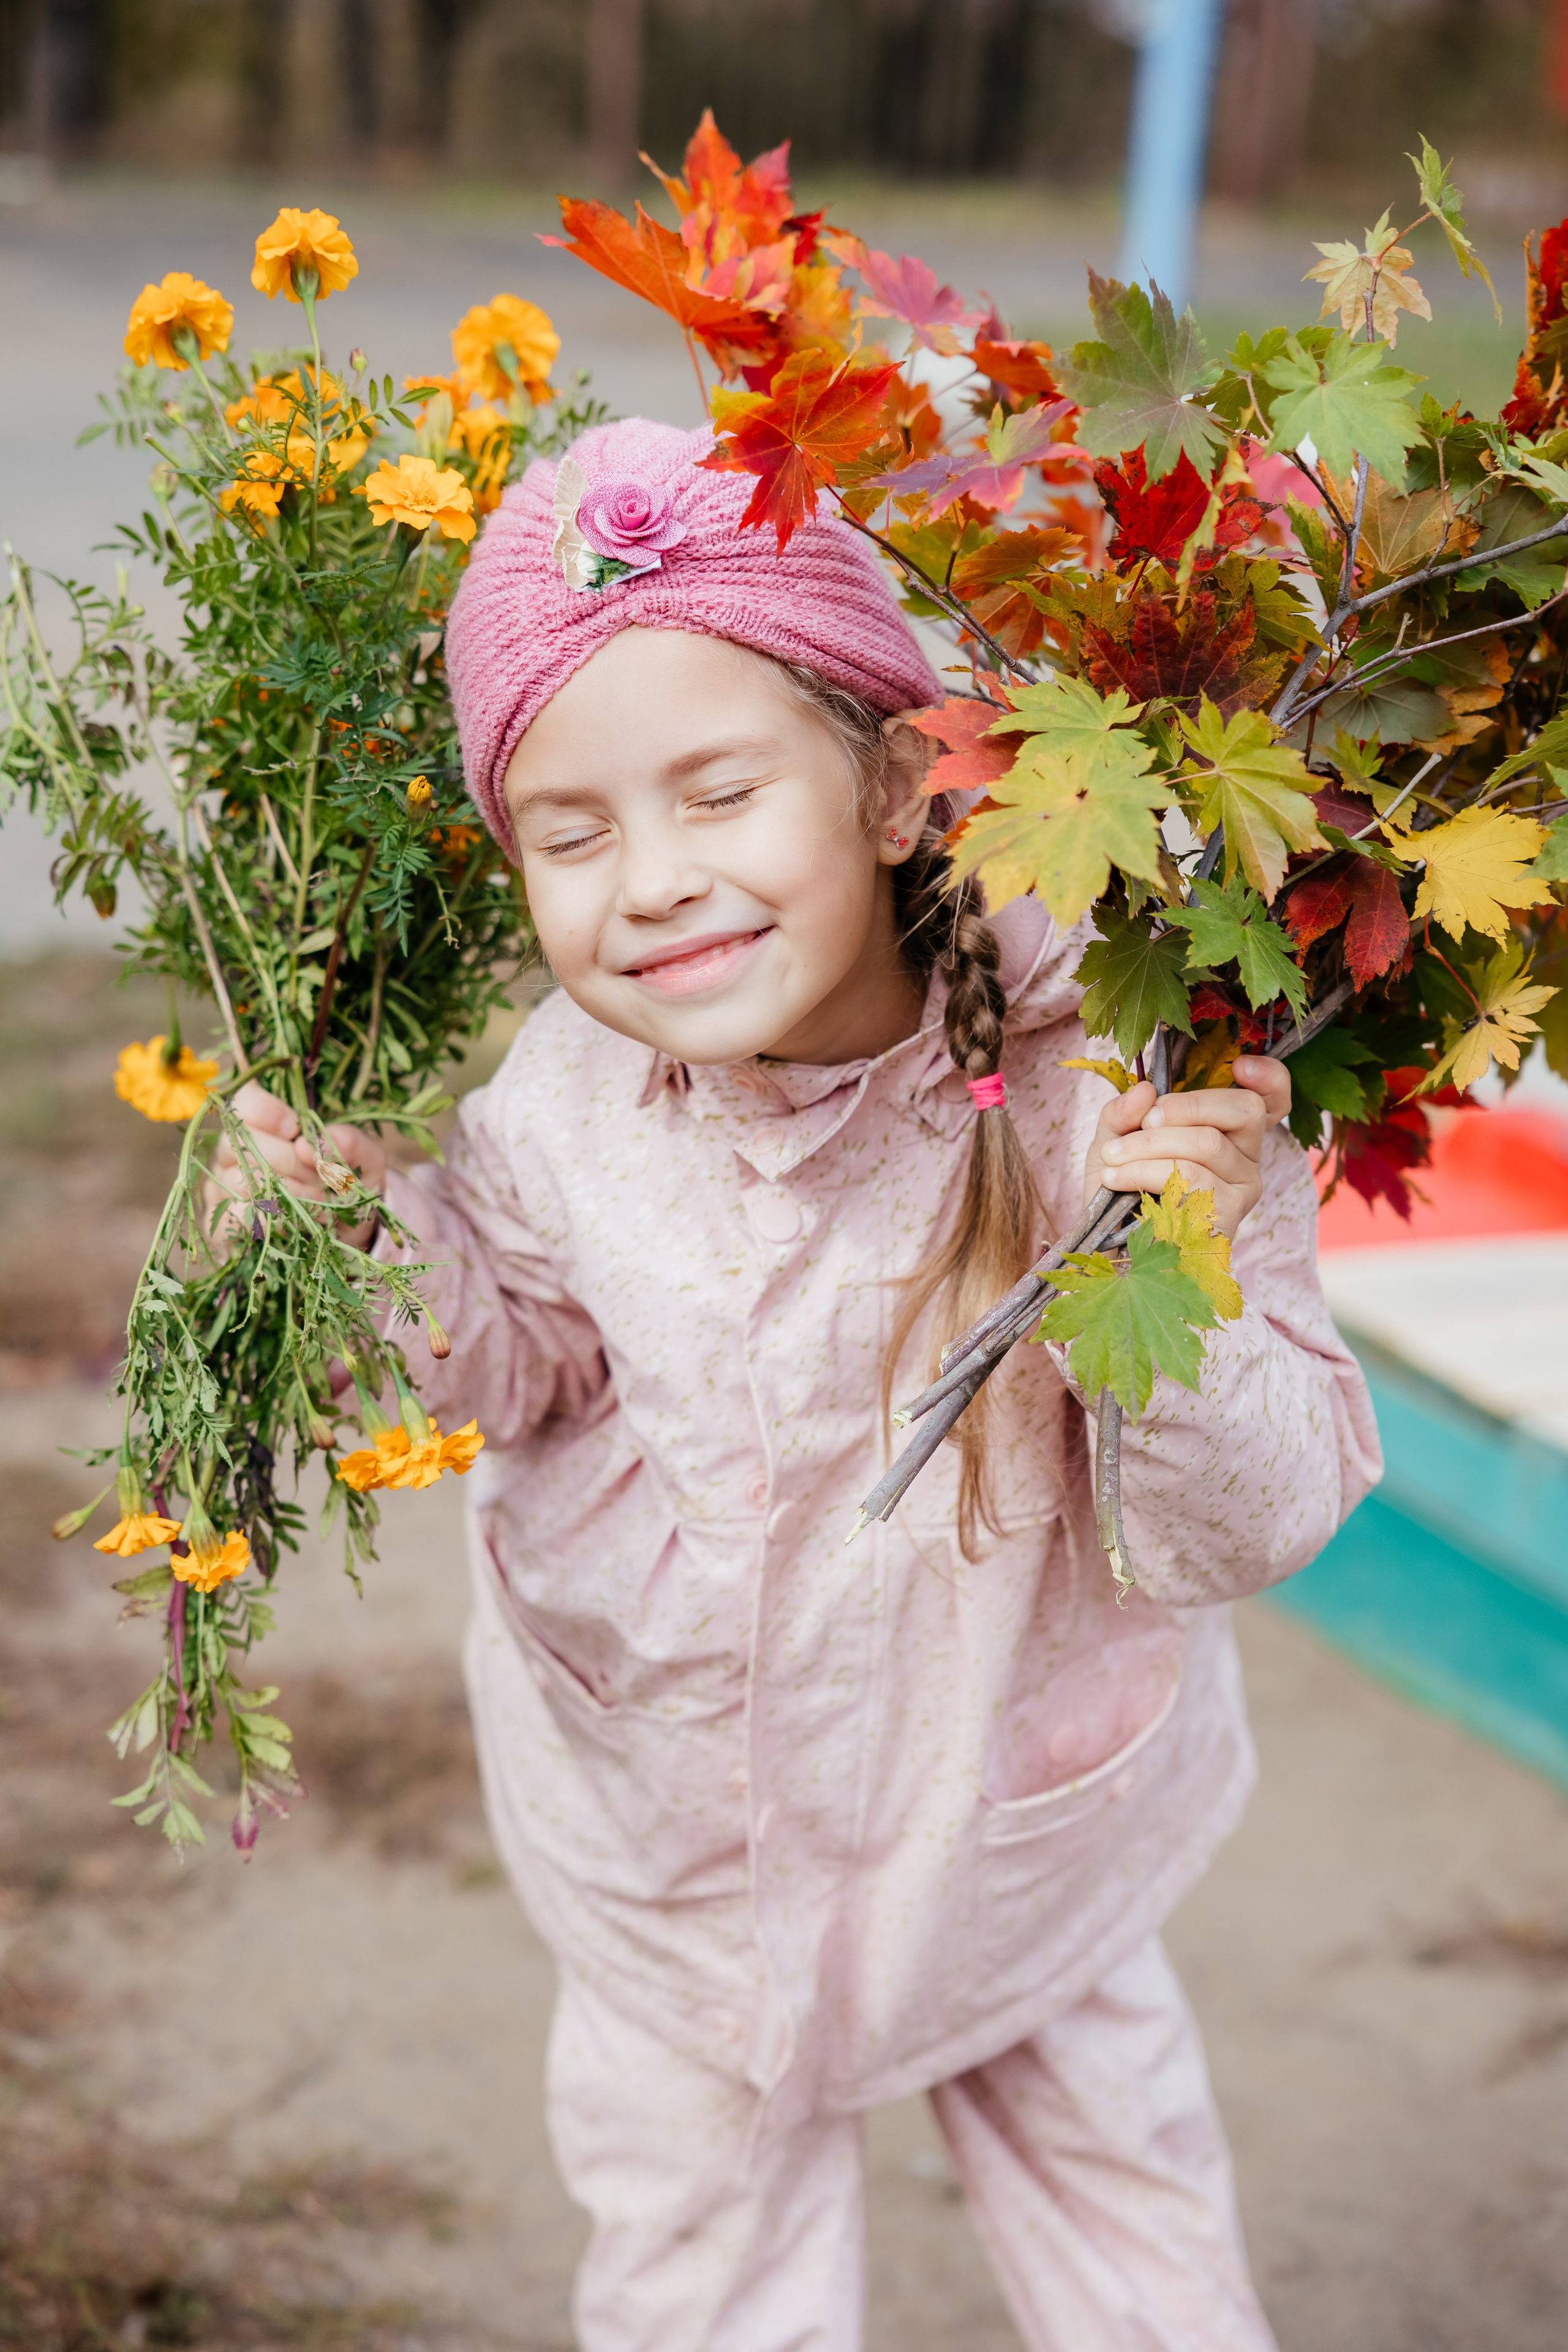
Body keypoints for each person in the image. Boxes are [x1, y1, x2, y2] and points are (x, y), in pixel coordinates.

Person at [211, 417, 1381, 2352]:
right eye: (571, 836)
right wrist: (363, 1241)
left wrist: (1164, 1262)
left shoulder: (1131, 1079)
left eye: (717, 794)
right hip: (684, 1840)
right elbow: (513, 1364)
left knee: (1129, 2211)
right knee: (694, 2261)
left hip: (1012, 1805)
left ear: (900, 787)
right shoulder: (567, 1103)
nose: (650, 883)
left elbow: (1251, 1519)